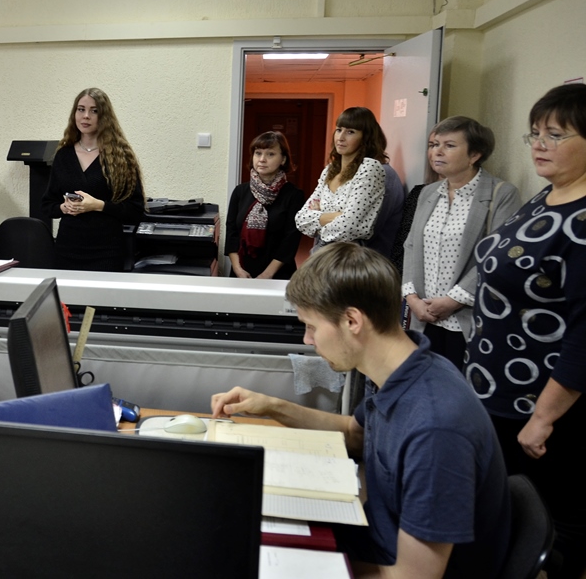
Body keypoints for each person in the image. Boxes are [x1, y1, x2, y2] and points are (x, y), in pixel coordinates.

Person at [212, 243, 510, 578]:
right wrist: (271, 406)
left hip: (391, 565)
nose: (307, 340)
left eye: (311, 326)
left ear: (352, 320)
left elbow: (412, 576)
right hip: (372, 537)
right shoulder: (403, 367)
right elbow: (355, 434)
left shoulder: (436, 428)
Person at [465, 83, 586, 578]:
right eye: (534, 133)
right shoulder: (547, 196)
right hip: (499, 391)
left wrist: (543, 417)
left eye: (555, 135)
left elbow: (584, 336)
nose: (539, 144)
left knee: (550, 529)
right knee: (500, 516)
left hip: (542, 407)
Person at [401, 116, 521, 369]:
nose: (437, 152)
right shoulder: (428, 192)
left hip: (467, 317)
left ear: (474, 154)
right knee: (427, 382)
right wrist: (411, 298)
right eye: (434, 145)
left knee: (461, 385)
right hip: (424, 316)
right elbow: (411, 246)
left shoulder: (501, 193)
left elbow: (497, 256)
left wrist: (453, 300)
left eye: (449, 145)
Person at [42, 88, 145, 271]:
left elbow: (135, 210)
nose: (86, 116)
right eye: (81, 109)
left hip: (106, 252)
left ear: (104, 117)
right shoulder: (63, 155)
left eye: (94, 111)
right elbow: (48, 204)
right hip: (67, 249)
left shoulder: (121, 157)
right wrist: (63, 207)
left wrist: (98, 205)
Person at [295, 107, 387, 251]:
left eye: (350, 132)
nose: (341, 137)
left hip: (347, 252)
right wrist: (337, 216)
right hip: (320, 250)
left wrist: (318, 221)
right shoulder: (330, 170)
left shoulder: (369, 167)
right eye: (339, 130)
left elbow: (348, 227)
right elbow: (301, 219)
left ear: (365, 137)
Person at [224, 131, 305, 279]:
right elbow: (232, 233)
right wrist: (237, 268)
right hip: (241, 272)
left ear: (283, 159)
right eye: (258, 153)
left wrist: (266, 275)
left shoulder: (294, 195)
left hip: (278, 274)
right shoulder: (240, 191)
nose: (262, 159)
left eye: (270, 154)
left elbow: (290, 240)